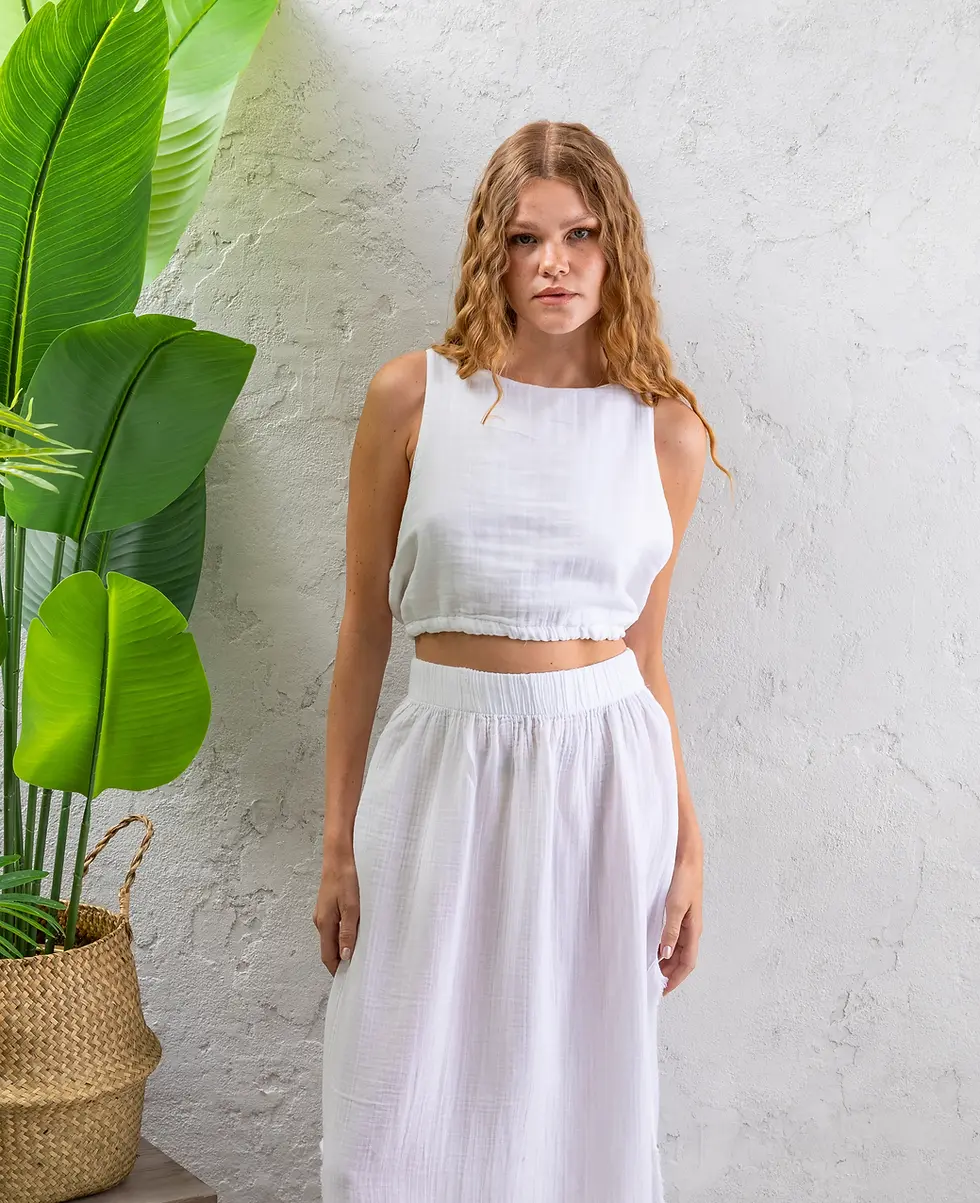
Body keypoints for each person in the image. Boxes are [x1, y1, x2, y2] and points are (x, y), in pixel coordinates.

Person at [314, 119, 731, 1203]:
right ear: (487, 253)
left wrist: (688, 847)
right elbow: (363, 630)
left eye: (580, 235)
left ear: (616, 246)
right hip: (440, 768)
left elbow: (646, 654)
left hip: (604, 781)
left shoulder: (664, 432)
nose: (553, 264)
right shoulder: (413, 398)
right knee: (392, 1110)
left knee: (577, 1107)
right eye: (524, 238)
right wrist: (338, 840)